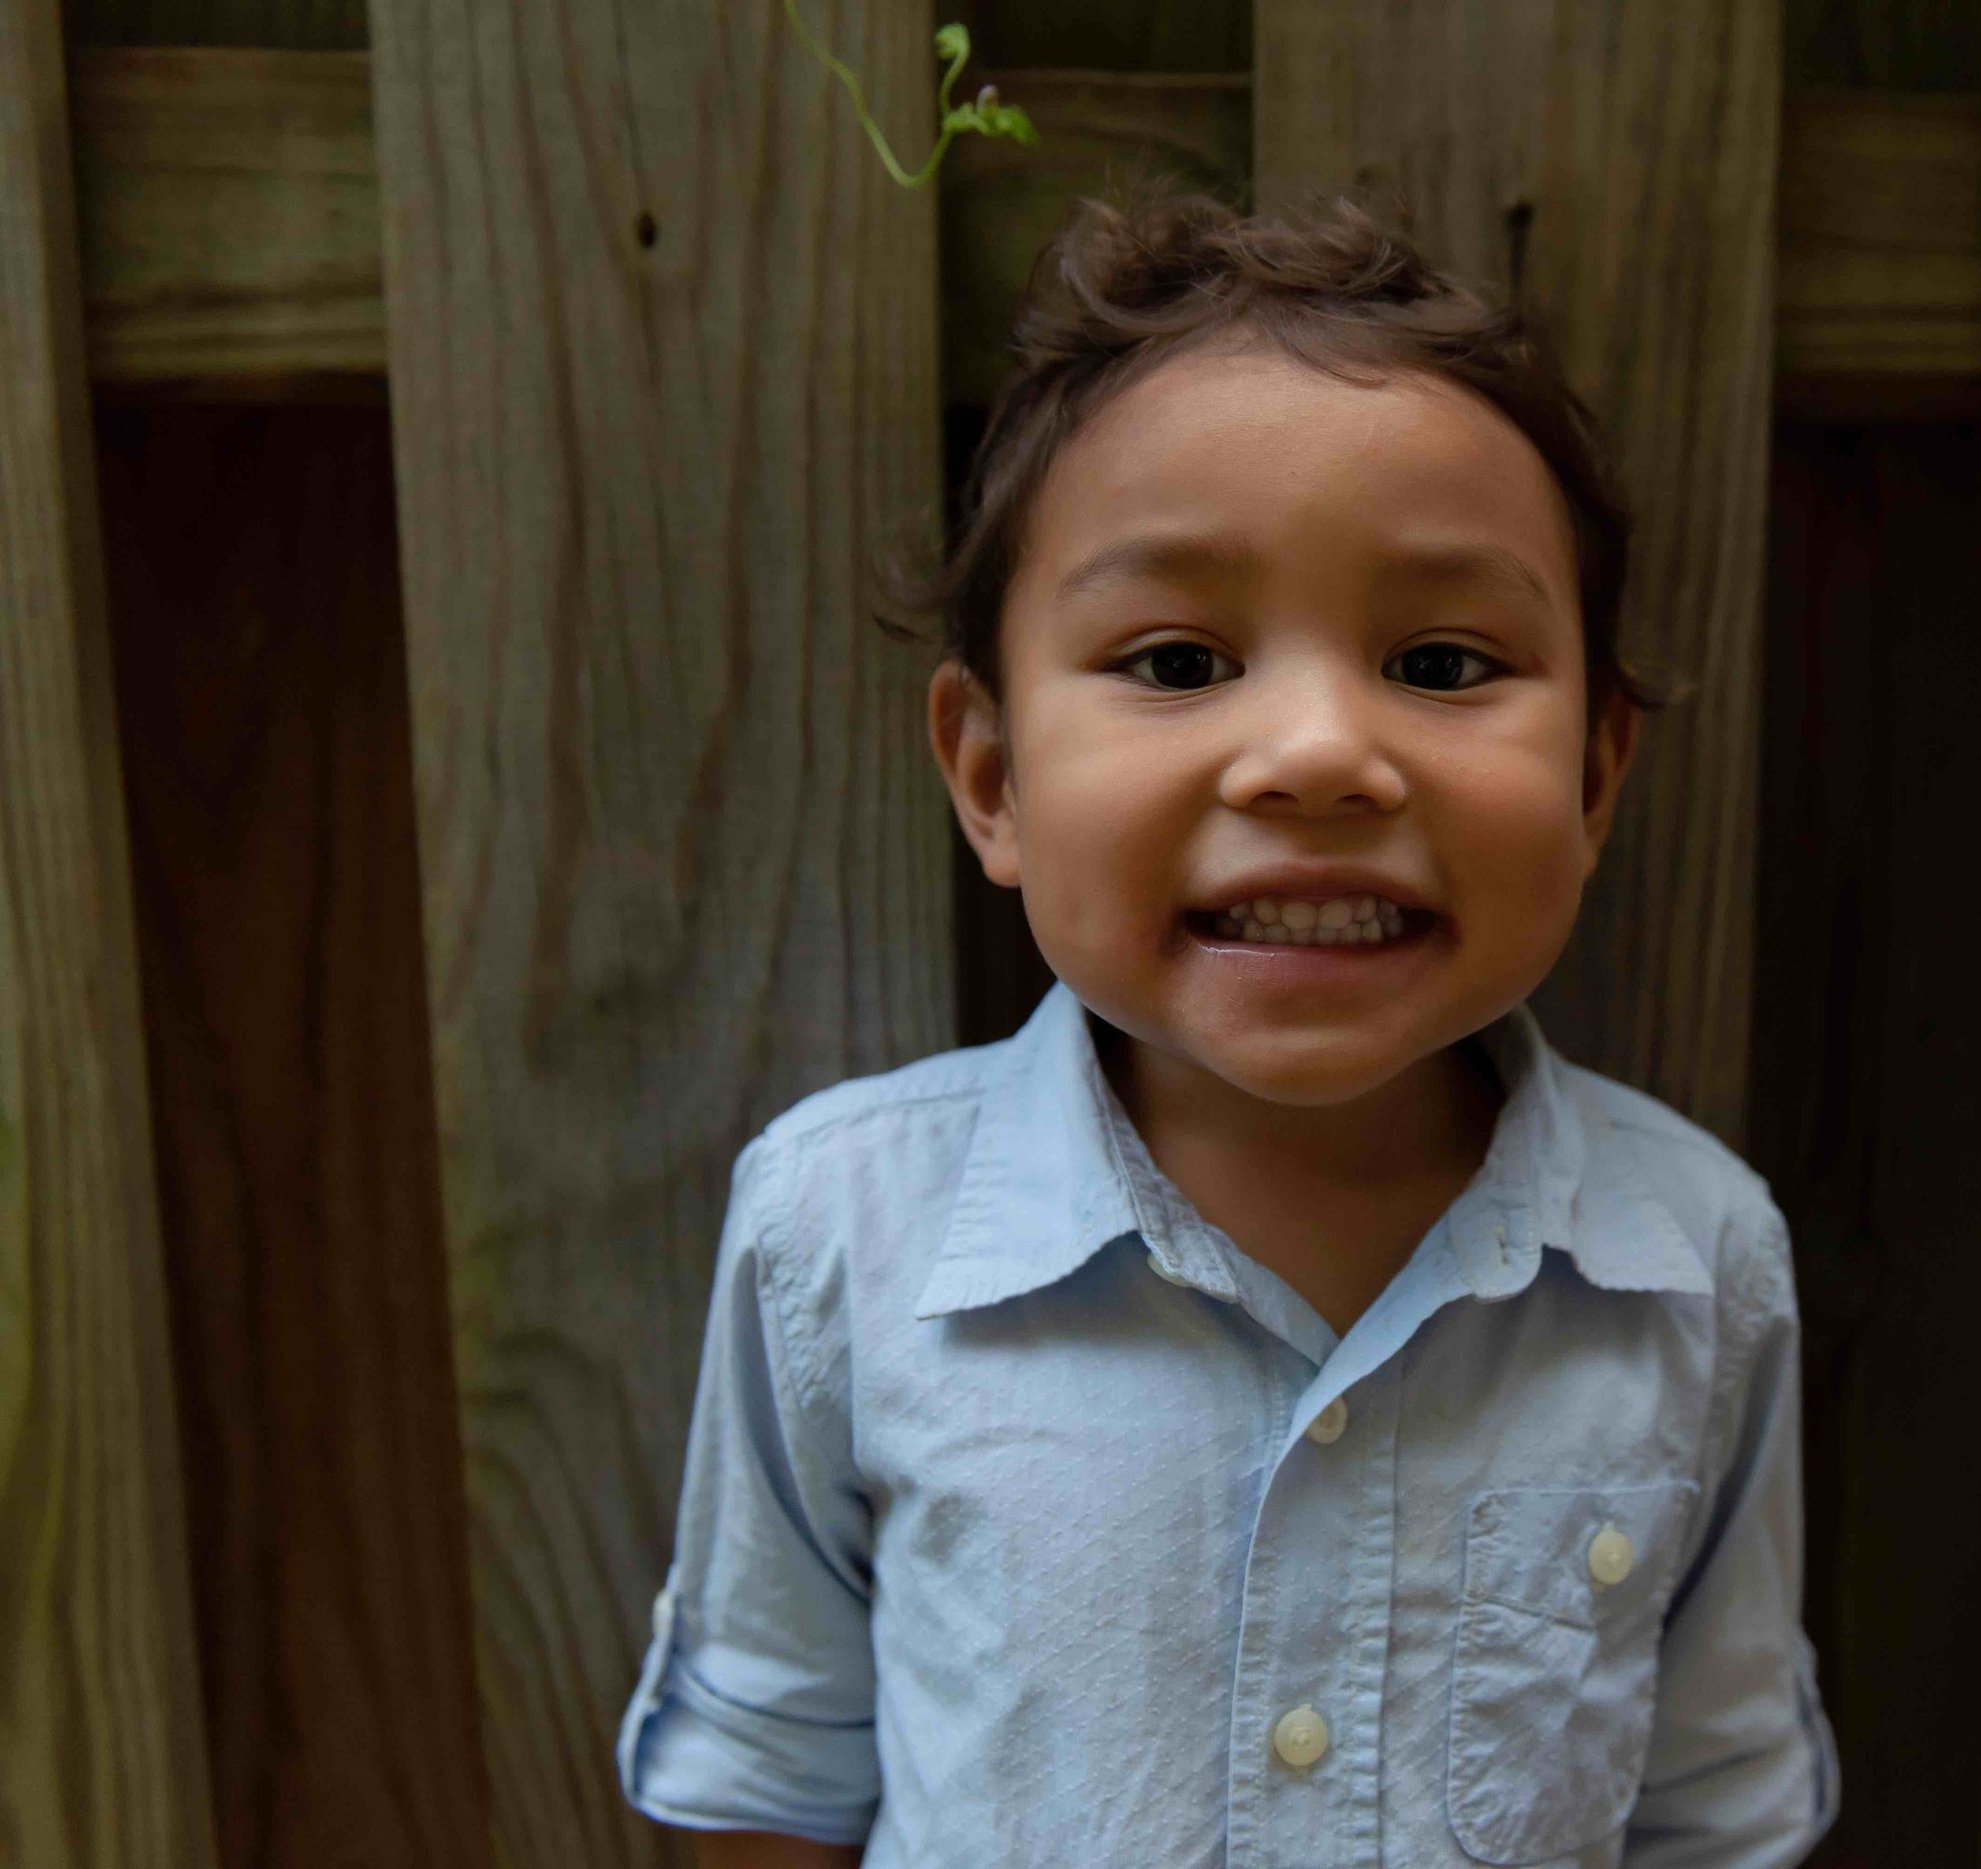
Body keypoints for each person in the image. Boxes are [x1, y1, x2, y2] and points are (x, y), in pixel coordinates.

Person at [612, 189, 1838, 1868]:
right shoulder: (840, 1236)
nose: (1320, 752)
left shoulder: (1695, 1264)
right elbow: (763, 1775)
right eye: (1181, 660)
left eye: (1442, 656)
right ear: (993, 777)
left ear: (1596, 775)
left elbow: (1715, 1812)